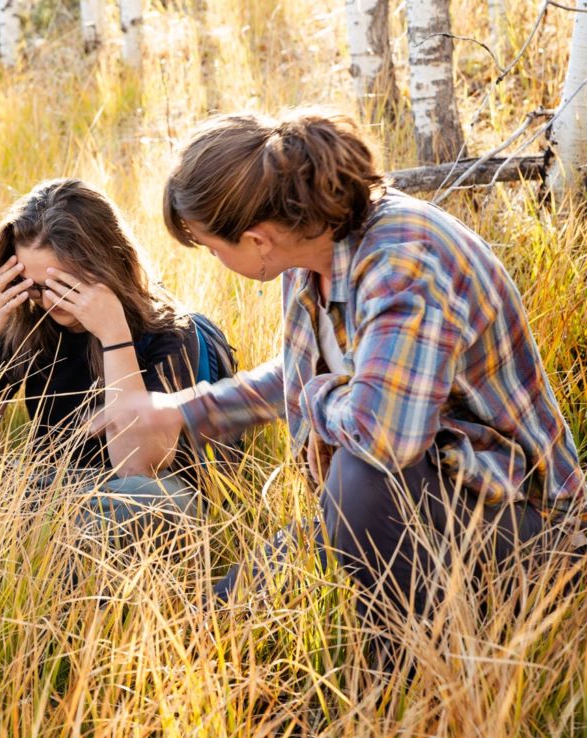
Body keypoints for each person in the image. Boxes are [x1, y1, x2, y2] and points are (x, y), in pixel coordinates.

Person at [98, 109, 585, 612]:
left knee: (361, 477)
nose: (214, 258)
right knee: (226, 607)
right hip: (430, 499)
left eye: (211, 247)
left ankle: (412, 666)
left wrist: (315, 397)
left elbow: (382, 441)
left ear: (257, 239)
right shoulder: (309, 253)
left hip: (527, 524)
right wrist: (183, 412)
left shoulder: (403, 264)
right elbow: (301, 373)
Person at [0, 178, 227, 541]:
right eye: (36, 288)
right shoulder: (29, 321)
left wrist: (114, 336)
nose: (49, 302)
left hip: (130, 496)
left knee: (150, 501)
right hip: (50, 489)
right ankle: (31, 543)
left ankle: (18, 541)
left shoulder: (169, 331)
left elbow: (137, 465)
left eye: (65, 287)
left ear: (106, 264)